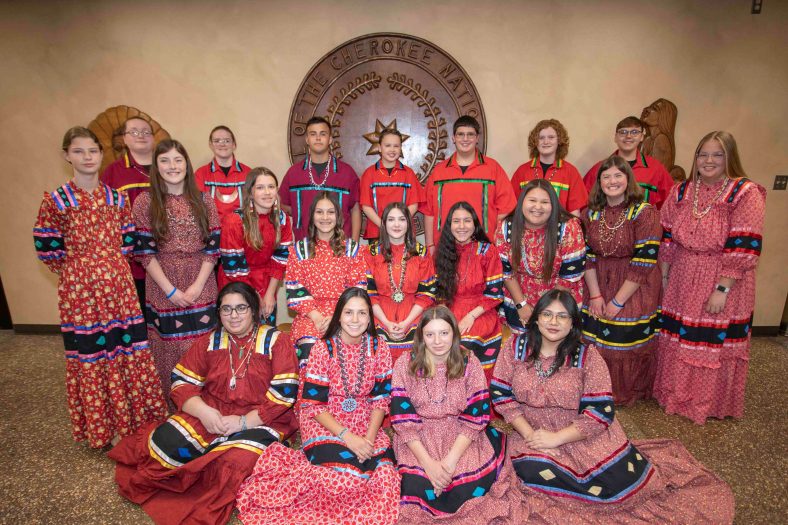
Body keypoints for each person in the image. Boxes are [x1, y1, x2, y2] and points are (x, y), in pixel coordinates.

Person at [491, 289, 735, 523]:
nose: (553, 322)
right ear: (536, 319)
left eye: (562, 316)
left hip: (581, 434)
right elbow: (501, 394)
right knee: (532, 470)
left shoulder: (587, 356)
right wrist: (531, 435)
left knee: (619, 488)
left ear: (573, 323)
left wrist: (556, 439)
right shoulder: (515, 348)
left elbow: (601, 412)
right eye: (547, 314)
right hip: (531, 432)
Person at [109, 282, 299, 525]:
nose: (234, 315)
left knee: (233, 463)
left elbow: (284, 394)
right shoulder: (209, 341)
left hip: (260, 418)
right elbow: (181, 382)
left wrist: (242, 422)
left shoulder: (277, 341)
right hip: (213, 410)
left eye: (241, 308)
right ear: (218, 313)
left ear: (253, 310)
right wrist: (205, 412)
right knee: (165, 443)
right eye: (226, 309)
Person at [34, 126, 165, 448]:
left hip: (119, 287)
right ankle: (101, 428)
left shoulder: (115, 198)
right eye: (79, 151)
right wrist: (81, 270)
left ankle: (135, 421)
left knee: (126, 350)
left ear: (101, 154)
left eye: (92, 151)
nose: (87, 157)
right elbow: (47, 247)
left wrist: (108, 266)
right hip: (80, 293)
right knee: (94, 354)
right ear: (67, 156)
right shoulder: (56, 200)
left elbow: (128, 240)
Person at [236, 288, 399, 525]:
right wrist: (348, 438)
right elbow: (312, 405)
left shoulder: (379, 347)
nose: (355, 320)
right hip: (325, 420)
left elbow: (381, 399)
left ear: (370, 318)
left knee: (385, 476)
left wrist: (369, 440)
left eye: (362, 313)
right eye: (349, 313)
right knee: (343, 478)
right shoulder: (323, 349)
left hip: (365, 420)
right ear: (338, 316)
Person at [655, 131, 765, 424]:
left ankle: (706, 403)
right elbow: (666, 233)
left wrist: (723, 288)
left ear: (730, 157)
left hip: (721, 275)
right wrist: (665, 275)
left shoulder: (745, 193)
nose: (709, 160)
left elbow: (745, 244)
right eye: (703, 154)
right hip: (682, 272)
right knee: (680, 337)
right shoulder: (681, 191)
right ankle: (674, 396)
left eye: (718, 154)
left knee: (708, 340)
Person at [391, 306, 522, 523]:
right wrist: (430, 465)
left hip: (461, 435)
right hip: (417, 437)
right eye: (430, 334)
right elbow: (402, 417)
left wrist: (450, 462)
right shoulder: (406, 364)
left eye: (444, 333)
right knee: (417, 486)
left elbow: (476, 415)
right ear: (421, 336)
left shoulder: (469, 362)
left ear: (454, 333)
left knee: (466, 486)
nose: (437, 341)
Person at [133, 139, 221, 400]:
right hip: (162, 283)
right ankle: (176, 407)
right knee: (169, 348)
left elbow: (213, 248)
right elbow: (144, 253)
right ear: (156, 166)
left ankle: (209, 404)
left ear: (187, 163)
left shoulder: (204, 200)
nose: (173, 166)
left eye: (178, 160)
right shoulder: (145, 202)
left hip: (201, 280)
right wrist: (170, 291)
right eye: (165, 160)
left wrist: (197, 286)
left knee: (203, 345)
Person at [582, 156, 662, 406]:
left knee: (621, 339)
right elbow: (587, 257)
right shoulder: (591, 213)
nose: (612, 181)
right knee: (594, 335)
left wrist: (618, 300)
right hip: (597, 280)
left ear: (628, 179)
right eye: (606, 176)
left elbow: (644, 261)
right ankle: (594, 390)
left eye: (618, 175)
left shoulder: (644, 212)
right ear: (599, 182)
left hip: (634, 284)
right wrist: (595, 295)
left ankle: (622, 393)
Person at [284, 191, 366, 370]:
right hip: (310, 317)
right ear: (312, 216)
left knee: (344, 349)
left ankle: (343, 398)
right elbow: (294, 289)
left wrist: (336, 318)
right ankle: (311, 397)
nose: (325, 217)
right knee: (311, 348)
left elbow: (357, 290)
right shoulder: (299, 250)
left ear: (338, 216)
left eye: (330, 212)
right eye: (319, 212)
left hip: (345, 316)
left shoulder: (352, 250)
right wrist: (316, 316)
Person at [495, 178, 585, 334]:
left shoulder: (568, 227)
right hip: (519, 295)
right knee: (522, 349)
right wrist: (521, 305)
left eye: (544, 202)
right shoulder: (507, 227)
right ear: (522, 201)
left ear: (553, 205)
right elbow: (505, 271)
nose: (538, 207)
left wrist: (546, 312)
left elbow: (570, 274)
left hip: (559, 297)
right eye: (532, 200)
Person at [422, 115, 516, 254]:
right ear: (453, 138)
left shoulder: (493, 168)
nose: (465, 139)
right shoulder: (439, 171)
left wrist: (492, 233)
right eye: (460, 134)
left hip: (483, 249)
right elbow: (429, 212)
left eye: (470, 134)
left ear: (477, 138)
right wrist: (430, 245)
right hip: (445, 249)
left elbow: (506, 207)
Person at [434, 202, 504, 381]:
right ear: (449, 226)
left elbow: (494, 294)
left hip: (481, 312)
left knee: (466, 344)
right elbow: (439, 292)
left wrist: (471, 316)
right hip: (449, 310)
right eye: (456, 221)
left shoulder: (488, 251)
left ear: (475, 224)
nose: (462, 226)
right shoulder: (442, 252)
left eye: (467, 221)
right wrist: (446, 317)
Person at [219, 167, 292, 326]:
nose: (267, 192)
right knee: (241, 329)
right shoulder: (234, 221)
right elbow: (234, 268)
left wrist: (269, 294)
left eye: (271, 187)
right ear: (250, 192)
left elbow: (280, 261)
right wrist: (254, 298)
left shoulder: (282, 219)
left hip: (266, 282)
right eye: (260, 187)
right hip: (237, 284)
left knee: (266, 330)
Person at [365, 202, 436, 363]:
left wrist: (406, 323)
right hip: (379, 315)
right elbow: (369, 293)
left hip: (414, 314)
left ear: (409, 223)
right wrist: (387, 323)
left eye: (402, 219)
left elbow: (427, 294)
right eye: (391, 219)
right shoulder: (371, 253)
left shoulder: (421, 253)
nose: (396, 224)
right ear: (384, 223)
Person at [101, 116, 156, 310]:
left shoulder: (167, 166)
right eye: (134, 131)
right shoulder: (113, 172)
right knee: (139, 310)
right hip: (133, 260)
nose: (141, 135)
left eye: (146, 131)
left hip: (166, 256)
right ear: (124, 138)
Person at [279, 116, 361, 241]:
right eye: (313, 134)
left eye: (323, 134)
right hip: (304, 247)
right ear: (307, 139)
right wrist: (300, 212)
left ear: (330, 139)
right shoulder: (293, 173)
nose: (318, 138)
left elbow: (355, 210)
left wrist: (354, 245)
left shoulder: (347, 172)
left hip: (340, 248)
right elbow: (282, 204)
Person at [583, 116, 673, 209]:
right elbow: (583, 202)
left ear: (642, 137)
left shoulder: (656, 169)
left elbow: (670, 204)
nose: (628, 136)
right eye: (623, 132)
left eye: (634, 132)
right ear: (615, 137)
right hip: (608, 222)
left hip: (643, 223)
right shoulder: (599, 168)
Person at [510, 118, 588, 216]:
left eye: (551, 137)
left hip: (559, 229)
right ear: (535, 141)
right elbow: (512, 208)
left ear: (559, 141)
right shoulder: (522, 171)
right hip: (527, 229)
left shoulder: (571, 172)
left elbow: (575, 213)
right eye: (541, 138)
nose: (546, 142)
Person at [359, 128, 424, 241]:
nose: (392, 149)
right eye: (387, 145)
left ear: (400, 148)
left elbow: (414, 204)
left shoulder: (408, 173)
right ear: (379, 148)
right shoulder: (369, 174)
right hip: (377, 232)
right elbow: (366, 206)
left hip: (403, 232)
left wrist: (399, 224)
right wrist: (384, 226)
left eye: (396, 146)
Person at [194, 125, 252, 219]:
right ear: (210, 145)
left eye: (227, 141)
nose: (222, 144)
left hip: (242, 230)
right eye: (217, 141)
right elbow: (196, 208)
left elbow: (254, 207)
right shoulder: (201, 174)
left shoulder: (248, 173)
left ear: (234, 145)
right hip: (211, 232)